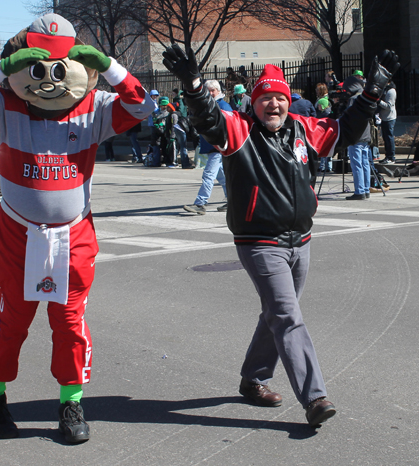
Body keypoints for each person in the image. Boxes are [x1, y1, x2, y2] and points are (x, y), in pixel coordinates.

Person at [0, 13, 155, 443]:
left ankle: (71, 401)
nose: (48, 80)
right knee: (13, 317)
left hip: (73, 234)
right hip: (18, 233)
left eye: (61, 67)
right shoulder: (6, 107)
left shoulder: (93, 108)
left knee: (70, 320)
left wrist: (111, 65)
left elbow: (143, 106)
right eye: (37, 67)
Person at [162, 43, 398, 426]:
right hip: (259, 243)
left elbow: (347, 129)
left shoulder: (306, 130)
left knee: (276, 313)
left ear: (289, 102)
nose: (273, 105)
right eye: (265, 98)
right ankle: (315, 397)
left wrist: (371, 93)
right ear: (253, 104)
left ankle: (253, 379)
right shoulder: (237, 131)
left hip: (300, 240)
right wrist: (193, 85)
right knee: (288, 316)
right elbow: (207, 119)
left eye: (279, 98)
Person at [182, 80, 230, 214]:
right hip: (213, 145)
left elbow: (229, 125)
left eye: (212, 91)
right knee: (222, 177)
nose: (209, 93)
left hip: (218, 146)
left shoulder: (222, 105)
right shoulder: (210, 105)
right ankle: (232, 201)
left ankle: (200, 203)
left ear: (218, 91)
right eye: (207, 91)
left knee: (208, 174)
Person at [343, 76, 372, 200]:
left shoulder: (354, 99)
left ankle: (359, 191)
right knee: (365, 163)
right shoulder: (366, 98)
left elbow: (349, 116)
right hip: (366, 134)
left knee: (357, 164)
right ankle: (366, 189)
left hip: (356, 135)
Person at [165, 103, 193, 169]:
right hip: (180, 130)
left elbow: (173, 125)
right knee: (180, 147)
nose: (167, 109)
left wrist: (173, 135)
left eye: (168, 107)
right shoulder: (172, 115)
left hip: (179, 131)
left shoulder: (174, 115)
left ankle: (177, 162)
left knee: (180, 147)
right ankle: (182, 163)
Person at [315, 83, 333, 172]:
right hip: (327, 127)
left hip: (323, 128)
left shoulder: (322, 101)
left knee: (323, 146)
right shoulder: (327, 100)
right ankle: (327, 166)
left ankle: (324, 166)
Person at [378, 81, 397, 164]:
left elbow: (389, 106)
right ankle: (387, 156)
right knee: (386, 138)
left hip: (389, 118)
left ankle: (391, 157)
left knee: (389, 138)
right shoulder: (385, 90)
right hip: (384, 117)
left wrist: (378, 101)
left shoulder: (391, 91)